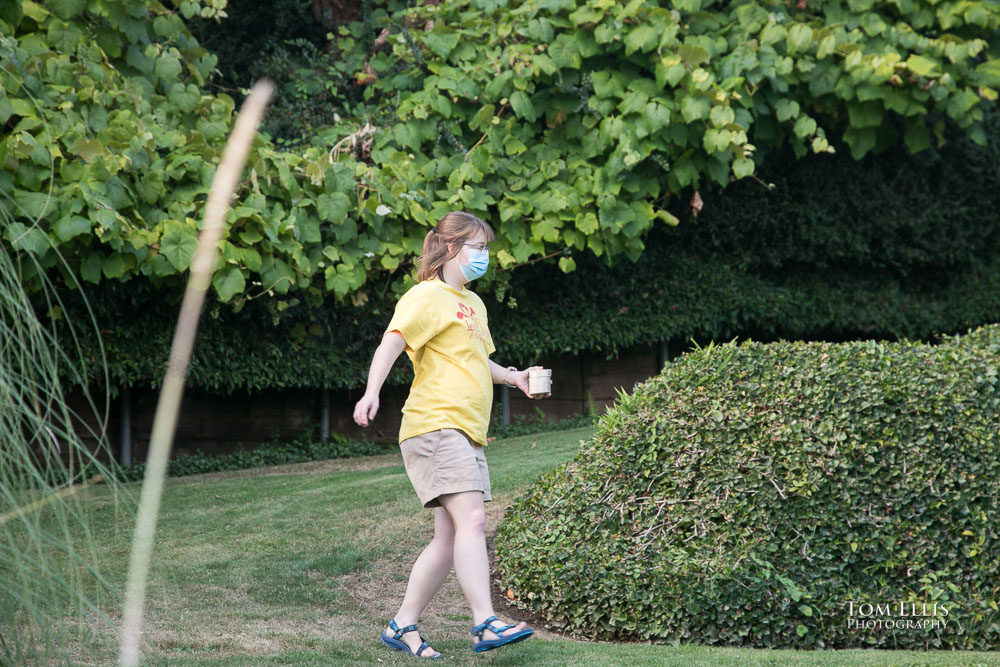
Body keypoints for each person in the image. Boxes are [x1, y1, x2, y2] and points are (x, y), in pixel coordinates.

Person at [353, 211, 543, 658]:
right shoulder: (426, 296)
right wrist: (371, 392)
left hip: (466, 431)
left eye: (486, 249)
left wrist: (514, 377)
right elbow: (392, 342)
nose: (484, 256)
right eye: (478, 248)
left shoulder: (473, 304)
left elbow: (480, 361)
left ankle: (402, 625)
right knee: (474, 521)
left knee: (449, 536)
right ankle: (485, 622)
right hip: (436, 425)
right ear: (452, 248)